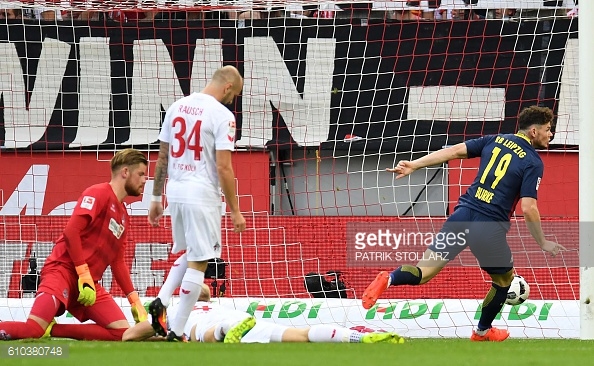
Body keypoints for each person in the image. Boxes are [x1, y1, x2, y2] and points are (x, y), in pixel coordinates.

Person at [362, 106, 566, 342]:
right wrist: (543, 242)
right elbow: (529, 208)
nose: (550, 134)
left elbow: (455, 151)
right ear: (533, 131)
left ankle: (388, 278)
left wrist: (414, 164)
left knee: (423, 272)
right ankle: (481, 332)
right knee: (504, 282)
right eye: (548, 129)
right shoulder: (533, 162)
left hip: (462, 216)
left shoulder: (495, 139)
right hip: (488, 227)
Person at [0, 149, 149, 341]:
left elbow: (118, 262)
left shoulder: (123, 216)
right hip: (62, 272)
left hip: (88, 286)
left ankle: (54, 331)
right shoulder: (99, 193)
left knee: (123, 334)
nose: (145, 180)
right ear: (125, 172)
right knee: (33, 330)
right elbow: (71, 232)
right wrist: (83, 273)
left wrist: (134, 300)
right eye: (141, 174)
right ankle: (44, 329)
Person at [148, 65, 247, 342]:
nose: (232, 100)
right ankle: (177, 330)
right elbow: (224, 168)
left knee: (191, 253)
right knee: (201, 260)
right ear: (228, 87)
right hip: (202, 193)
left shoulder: (177, 106)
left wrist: (156, 198)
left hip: (175, 191)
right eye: (234, 94)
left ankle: (162, 299)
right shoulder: (222, 115)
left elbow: (163, 156)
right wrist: (236, 210)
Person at [123, 284, 404, 344]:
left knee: (201, 335)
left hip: (218, 326)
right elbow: (204, 291)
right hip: (246, 322)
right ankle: (355, 337)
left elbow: (128, 336)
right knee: (302, 335)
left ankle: (222, 334)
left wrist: (163, 333)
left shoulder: (174, 314)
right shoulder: (216, 303)